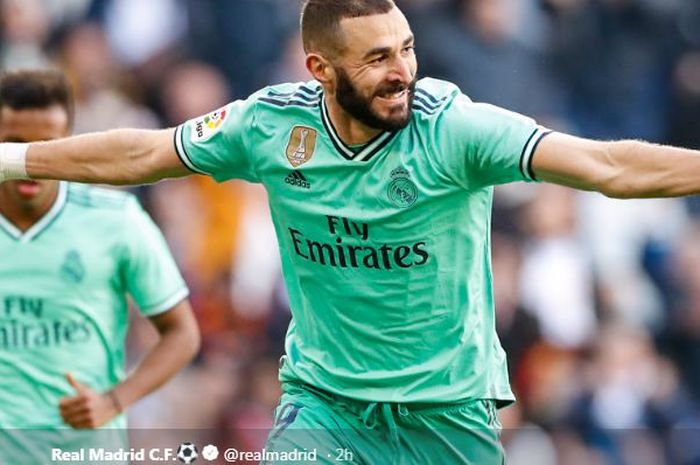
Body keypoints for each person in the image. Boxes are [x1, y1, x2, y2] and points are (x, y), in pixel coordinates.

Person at [1, 0, 700, 462]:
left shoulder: (452, 129)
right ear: (320, 70)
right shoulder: (270, 126)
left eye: (407, 48)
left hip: (446, 410)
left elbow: (607, 165)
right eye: (378, 59)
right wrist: (14, 157)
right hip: (325, 403)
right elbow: (142, 153)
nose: (404, 73)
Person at [0, 70, 200, 463]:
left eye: (44, 146)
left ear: (69, 144)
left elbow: (182, 334)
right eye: (14, 146)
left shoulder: (116, 220)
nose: (28, 163)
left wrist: (115, 399)